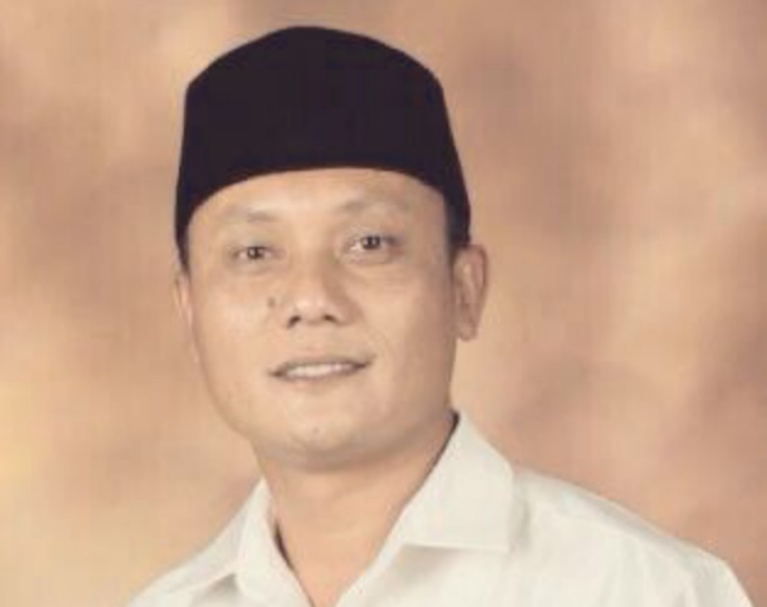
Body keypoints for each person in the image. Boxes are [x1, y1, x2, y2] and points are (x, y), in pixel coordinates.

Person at [129, 26, 753, 607]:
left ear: (464, 288)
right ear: (190, 311)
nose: (312, 298)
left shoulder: (642, 588)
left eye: (368, 244)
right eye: (254, 253)